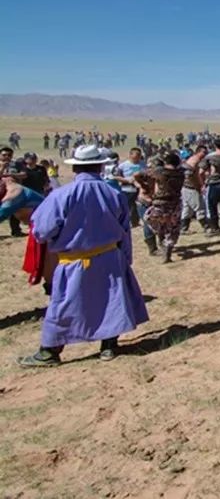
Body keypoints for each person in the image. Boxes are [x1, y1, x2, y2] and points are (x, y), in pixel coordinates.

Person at [17, 145, 149, 367]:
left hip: (73, 261)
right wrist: (125, 259)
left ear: (76, 167)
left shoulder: (61, 195)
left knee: (64, 304)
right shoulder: (113, 193)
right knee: (112, 300)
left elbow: (41, 230)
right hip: (109, 257)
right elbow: (124, 230)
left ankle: (49, 352)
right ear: (99, 166)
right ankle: (109, 346)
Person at [136, 152, 187, 263]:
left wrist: (144, 185)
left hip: (160, 203)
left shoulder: (159, 172)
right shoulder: (181, 172)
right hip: (175, 202)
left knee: (149, 218)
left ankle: (161, 236)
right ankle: (167, 250)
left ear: (165, 162)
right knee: (173, 228)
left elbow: (137, 175)